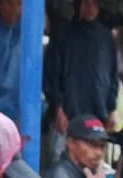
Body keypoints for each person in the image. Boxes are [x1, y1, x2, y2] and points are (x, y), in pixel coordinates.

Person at [46, 0, 118, 156]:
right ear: (78, 5)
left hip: (97, 114)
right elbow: (52, 75)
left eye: (94, 3)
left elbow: (112, 77)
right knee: (62, 162)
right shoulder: (63, 35)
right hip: (68, 114)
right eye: (86, 3)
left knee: (92, 161)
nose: (90, 8)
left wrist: (112, 108)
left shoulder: (106, 38)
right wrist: (58, 107)